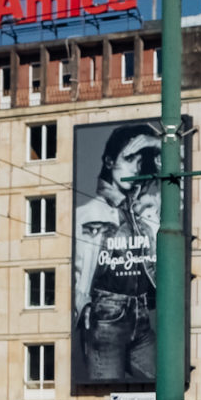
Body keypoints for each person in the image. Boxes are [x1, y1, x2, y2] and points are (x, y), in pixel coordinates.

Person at [73, 123, 161, 382]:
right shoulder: (87, 214)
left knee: (168, 385)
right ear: (110, 162)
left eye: (139, 160)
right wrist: (82, 304)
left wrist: (157, 143)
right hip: (106, 316)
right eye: (128, 158)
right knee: (104, 395)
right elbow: (73, 268)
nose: (134, 167)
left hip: (143, 314)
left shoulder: (147, 210)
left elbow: (187, 172)